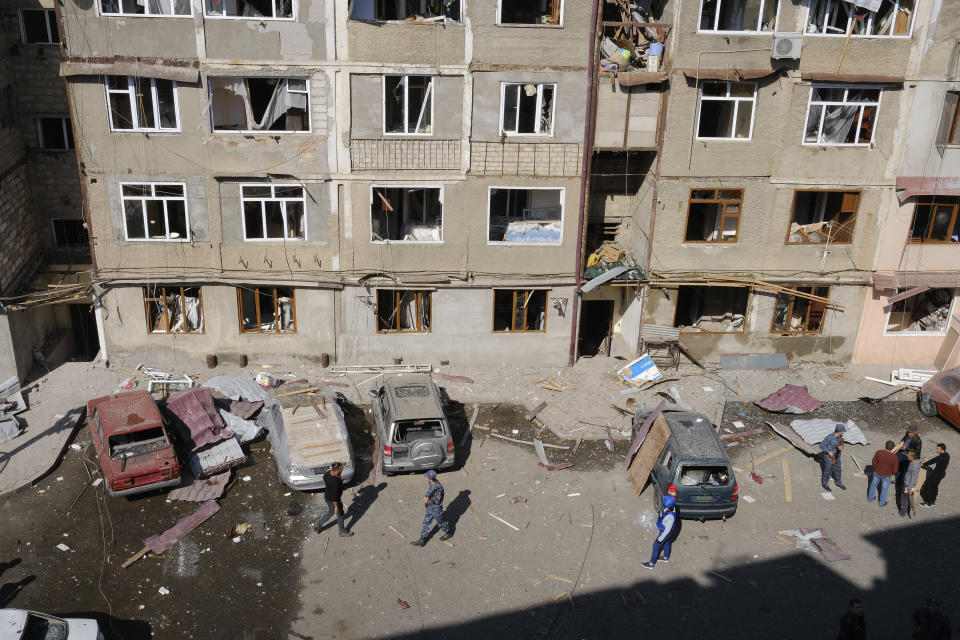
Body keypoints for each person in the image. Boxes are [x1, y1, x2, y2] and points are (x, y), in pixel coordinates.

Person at [411, 470, 452, 547]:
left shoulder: (439, 488)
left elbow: (437, 501)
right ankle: (422, 539)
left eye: (426, 477)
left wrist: (428, 500)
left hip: (436, 509)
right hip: (430, 508)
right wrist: (426, 496)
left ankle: (449, 532)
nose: (425, 478)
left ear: (430, 478)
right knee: (426, 522)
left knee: (440, 523)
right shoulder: (432, 483)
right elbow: (430, 492)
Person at [313, 462, 354, 537]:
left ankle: (318, 526)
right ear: (337, 470)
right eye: (341, 469)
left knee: (331, 511)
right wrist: (336, 507)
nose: (342, 470)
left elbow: (324, 478)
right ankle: (342, 531)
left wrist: (340, 486)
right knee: (339, 513)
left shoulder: (328, 473)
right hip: (334, 500)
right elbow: (334, 497)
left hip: (327, 496)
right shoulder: (334, 482)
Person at [642, 495, 677, 569]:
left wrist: (660, 539)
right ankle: (666, 557)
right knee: (667, 542)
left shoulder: (670, 518)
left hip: (664, 532)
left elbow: (667, 531)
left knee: (655, 546)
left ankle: (651, 564)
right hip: (668, 533)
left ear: (667, 505)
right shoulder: (672, 508)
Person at [868, 440, 898, 507]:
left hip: (877, 472)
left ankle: (870, 498)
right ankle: (881, 503)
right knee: (884, 489)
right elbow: (895, 470)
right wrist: (891, 473)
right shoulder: (894, 457)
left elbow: (873, 462)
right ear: (893, 448)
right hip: (887, 475)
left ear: (885, 446)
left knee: (873, 485)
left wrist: (876, 468)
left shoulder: (879, 452)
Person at [819, 424, 847, 491]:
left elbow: (840, 443)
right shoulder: (830, 437)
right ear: (839, 431)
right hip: (829, 457)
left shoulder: (840, 436)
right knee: (827, 471)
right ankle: (825, 484)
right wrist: (828, 451)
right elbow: (821, 445)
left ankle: (838, 482)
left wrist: (841, 447)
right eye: (843, 431)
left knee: (838, 470)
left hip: (837, 456)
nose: (843, 432)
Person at [900, 450, 921, 518]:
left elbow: (913, 478)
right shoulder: (916, 461)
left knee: (904, 498)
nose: (907, 456)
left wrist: (909, 488)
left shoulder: (914, 466)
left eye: (908, 455)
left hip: (908, 485)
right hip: (910, 484)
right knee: (908, 497)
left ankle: (903, 513)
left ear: (912, 457)